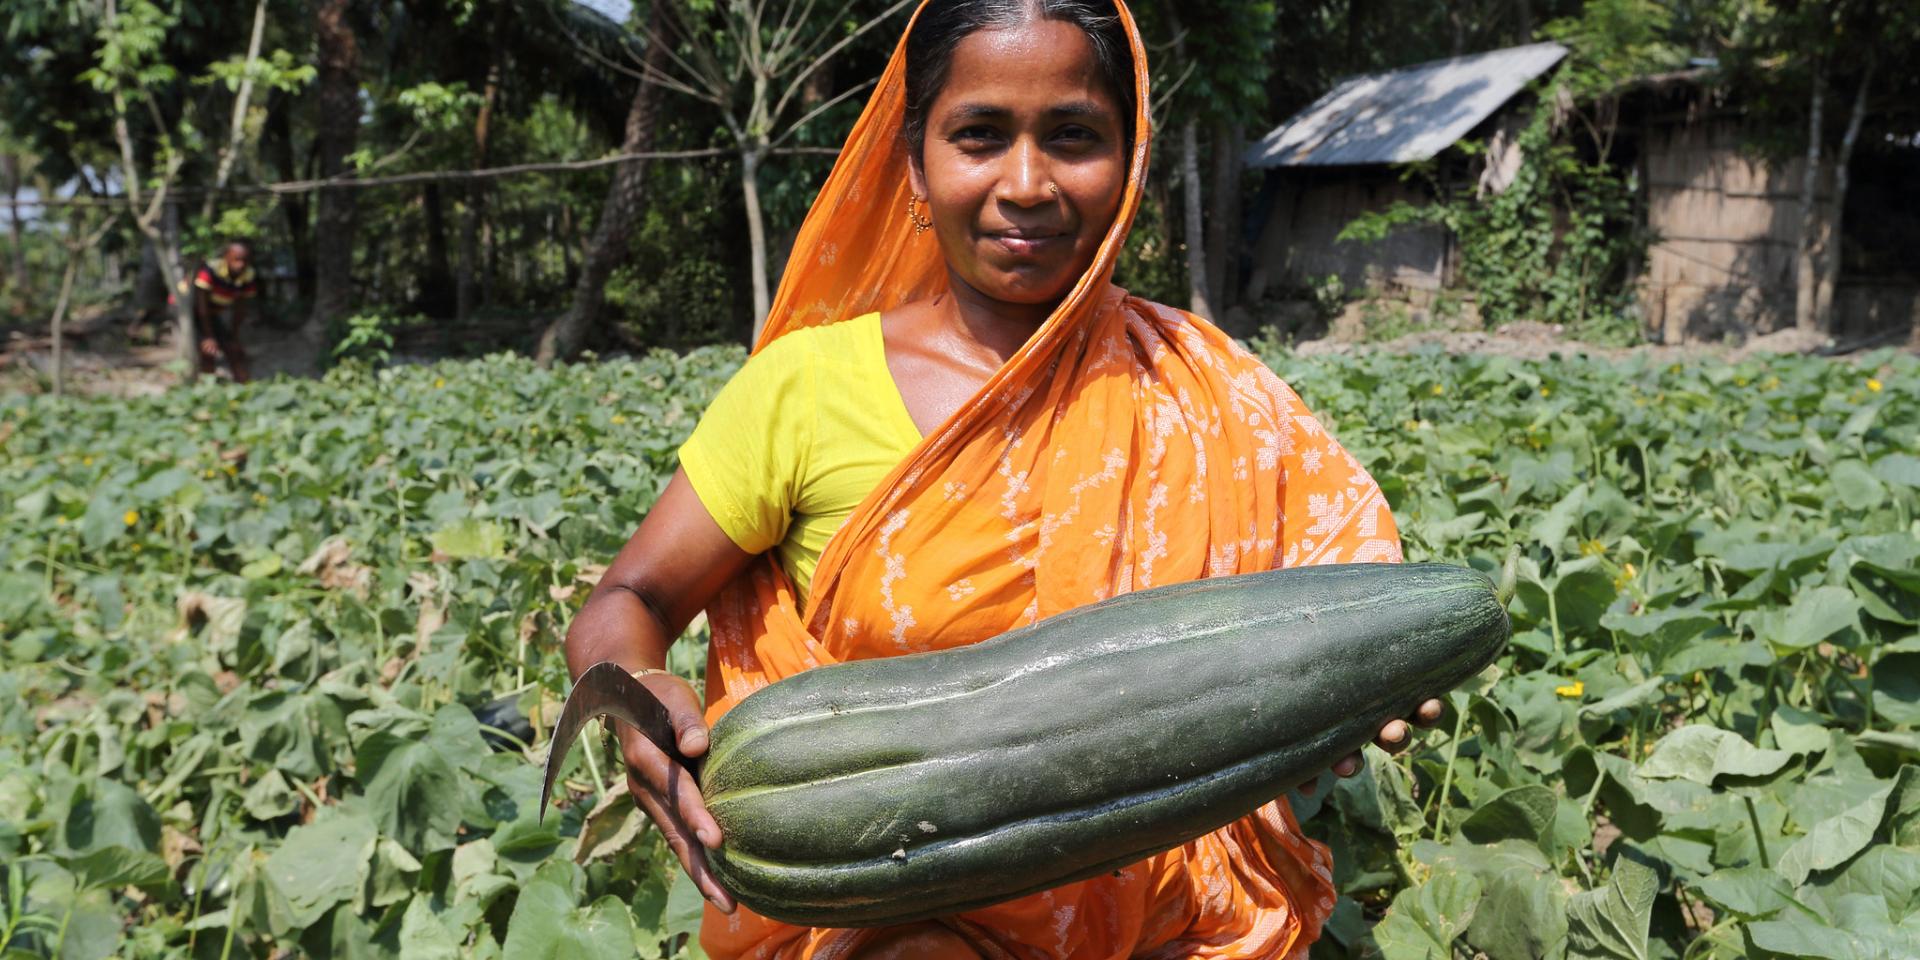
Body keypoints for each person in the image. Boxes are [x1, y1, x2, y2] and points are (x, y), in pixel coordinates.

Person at [562, 1, 1439, 956]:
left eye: (1073, 136)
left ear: (1129, 156)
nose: (1027, 184)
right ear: (914, 166)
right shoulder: (806, 391)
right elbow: (629, 594)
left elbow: (1341, 604)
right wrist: (635, 690)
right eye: (979, 136)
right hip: (891, 915)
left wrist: (1374, 688)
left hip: (1173, 921)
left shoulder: (1205, 383)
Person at [192, 240, 257, 381]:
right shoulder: (210, 270)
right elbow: (201, 305)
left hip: (212, 313)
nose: (241, 265)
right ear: (226, 257)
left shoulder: (247, 274)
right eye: (236, 260)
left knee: (232, 349)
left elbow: (241, 309)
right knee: (208, 350)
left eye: (244, 260)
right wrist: (208, 336)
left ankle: (243, 386)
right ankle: (207, 385)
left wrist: (234, 335)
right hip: (193, 311)